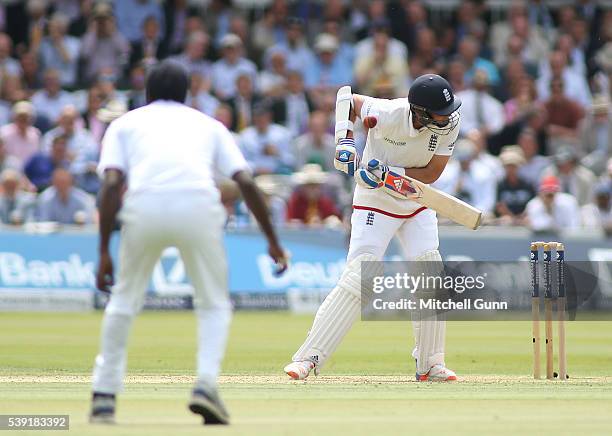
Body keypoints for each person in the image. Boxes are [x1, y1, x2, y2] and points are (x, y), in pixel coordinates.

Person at [89, 60, 287, 426]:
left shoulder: (124, 124)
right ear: (187, 93)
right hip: (198, 204)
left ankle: (104, 395)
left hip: (144, 204)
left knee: (124, 301)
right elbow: (245, 182)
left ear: (147, 93)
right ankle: (207, 384)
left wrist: (103, 251)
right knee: (213, 303)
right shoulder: (207, 124)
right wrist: (273, 242)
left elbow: (112, 184)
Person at [283, 74, 461, 381]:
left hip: (416, 199)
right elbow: (346, 99)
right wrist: (346, 142)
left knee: (430, 270)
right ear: (419, 111)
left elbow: (431, 172)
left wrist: (388, 173)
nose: (448, 117)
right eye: (439, 113)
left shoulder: (450, 122)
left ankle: (430, 364)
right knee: (362, 274)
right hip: (375, 201)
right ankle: (308, 359)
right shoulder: (389, 112)